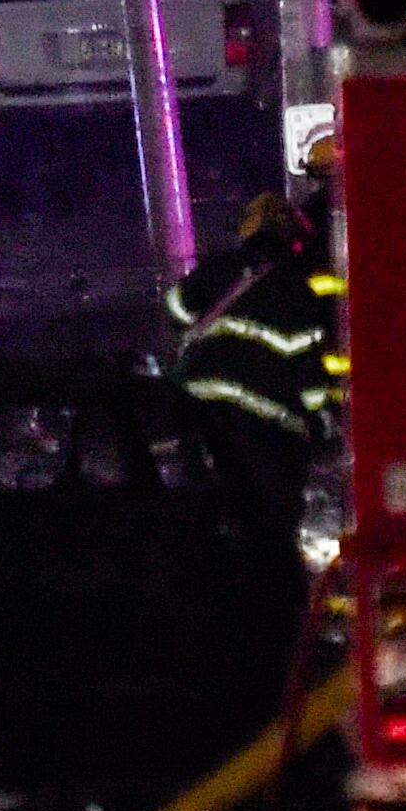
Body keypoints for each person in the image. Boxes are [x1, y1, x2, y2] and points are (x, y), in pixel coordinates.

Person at [167, 183, 335, 542]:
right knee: (269, 529)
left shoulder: (221, 269)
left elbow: (175, 307)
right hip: (262, 429)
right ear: (293, 238)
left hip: (197, 413)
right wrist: (323, 423)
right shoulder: (297, 292)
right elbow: (309, 378)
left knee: (200, 517)